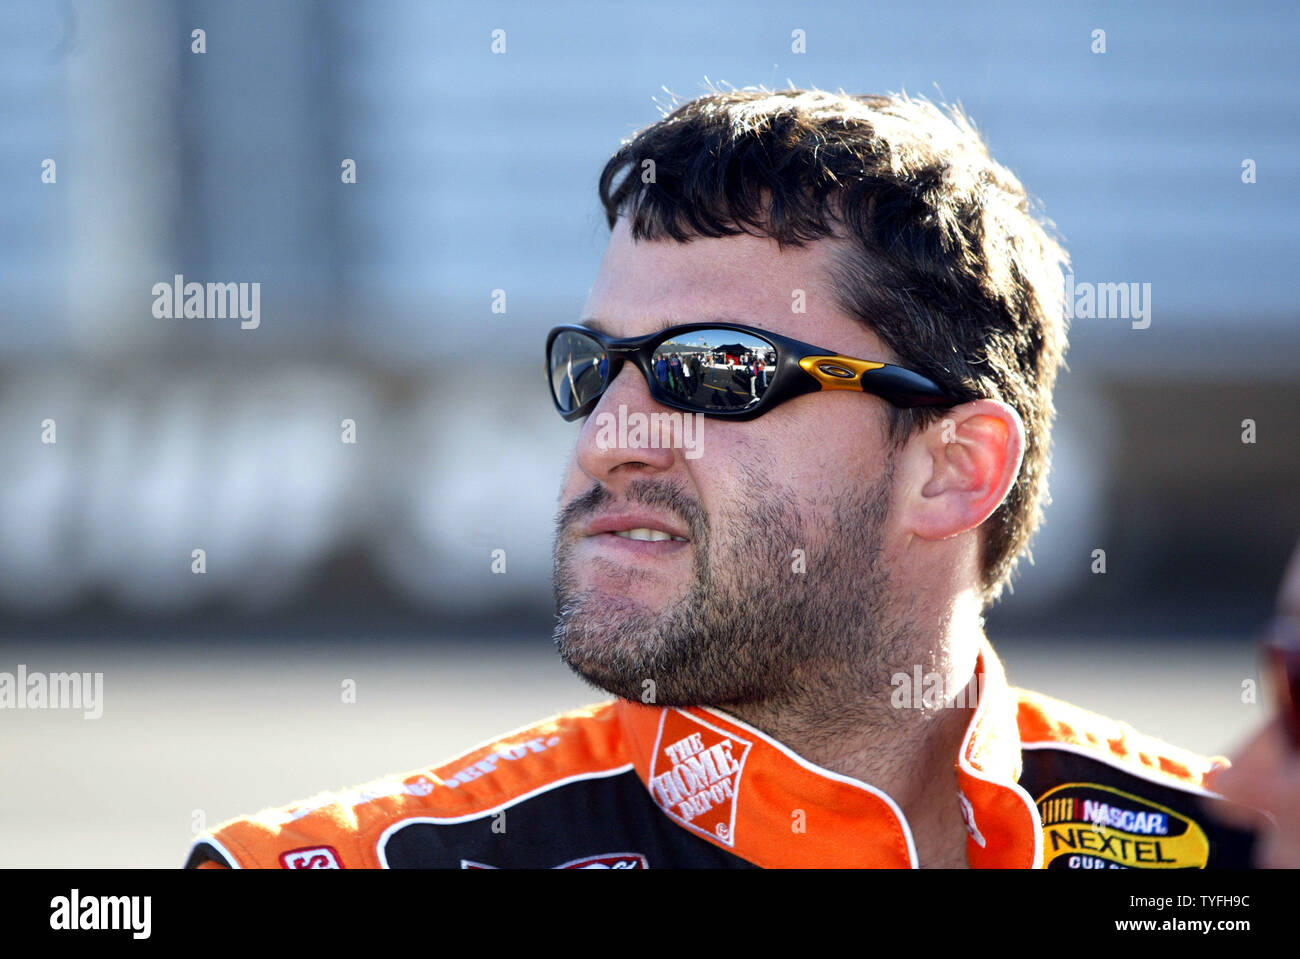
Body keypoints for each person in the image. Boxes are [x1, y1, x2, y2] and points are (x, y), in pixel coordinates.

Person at [186, 88, 1297, 870]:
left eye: (716, 371)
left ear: (955, 470)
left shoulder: (1234, 848)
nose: (610, 437)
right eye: (597, 368)